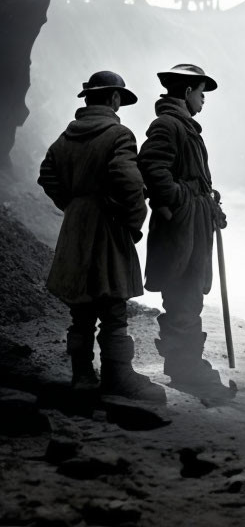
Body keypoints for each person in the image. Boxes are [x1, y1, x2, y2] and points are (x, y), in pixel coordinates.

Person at [38, 71, 166, 403]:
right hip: (108, 227)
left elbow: (47, 175)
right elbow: (128, 182)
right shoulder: (118, 135)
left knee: (80, 309)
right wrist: (133, 222)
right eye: (119, 100)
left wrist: (73, 205)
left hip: (75, 228)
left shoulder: (64, 138)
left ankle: (82, 376)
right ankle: (117, 376)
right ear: (113, 99)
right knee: (113, 307)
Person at [137, 64, 231, 398]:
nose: (204, 99)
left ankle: (183, 365)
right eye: (202, 92)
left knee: (188, 294)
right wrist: (181, 201)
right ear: (188, 92)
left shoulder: (184, 126)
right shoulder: (167, 125)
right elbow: (151, 166)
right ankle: (187, 370)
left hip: (192, 224)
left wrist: (209, 207)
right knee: (184, 294)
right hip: (182, 229)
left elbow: (195, 180)